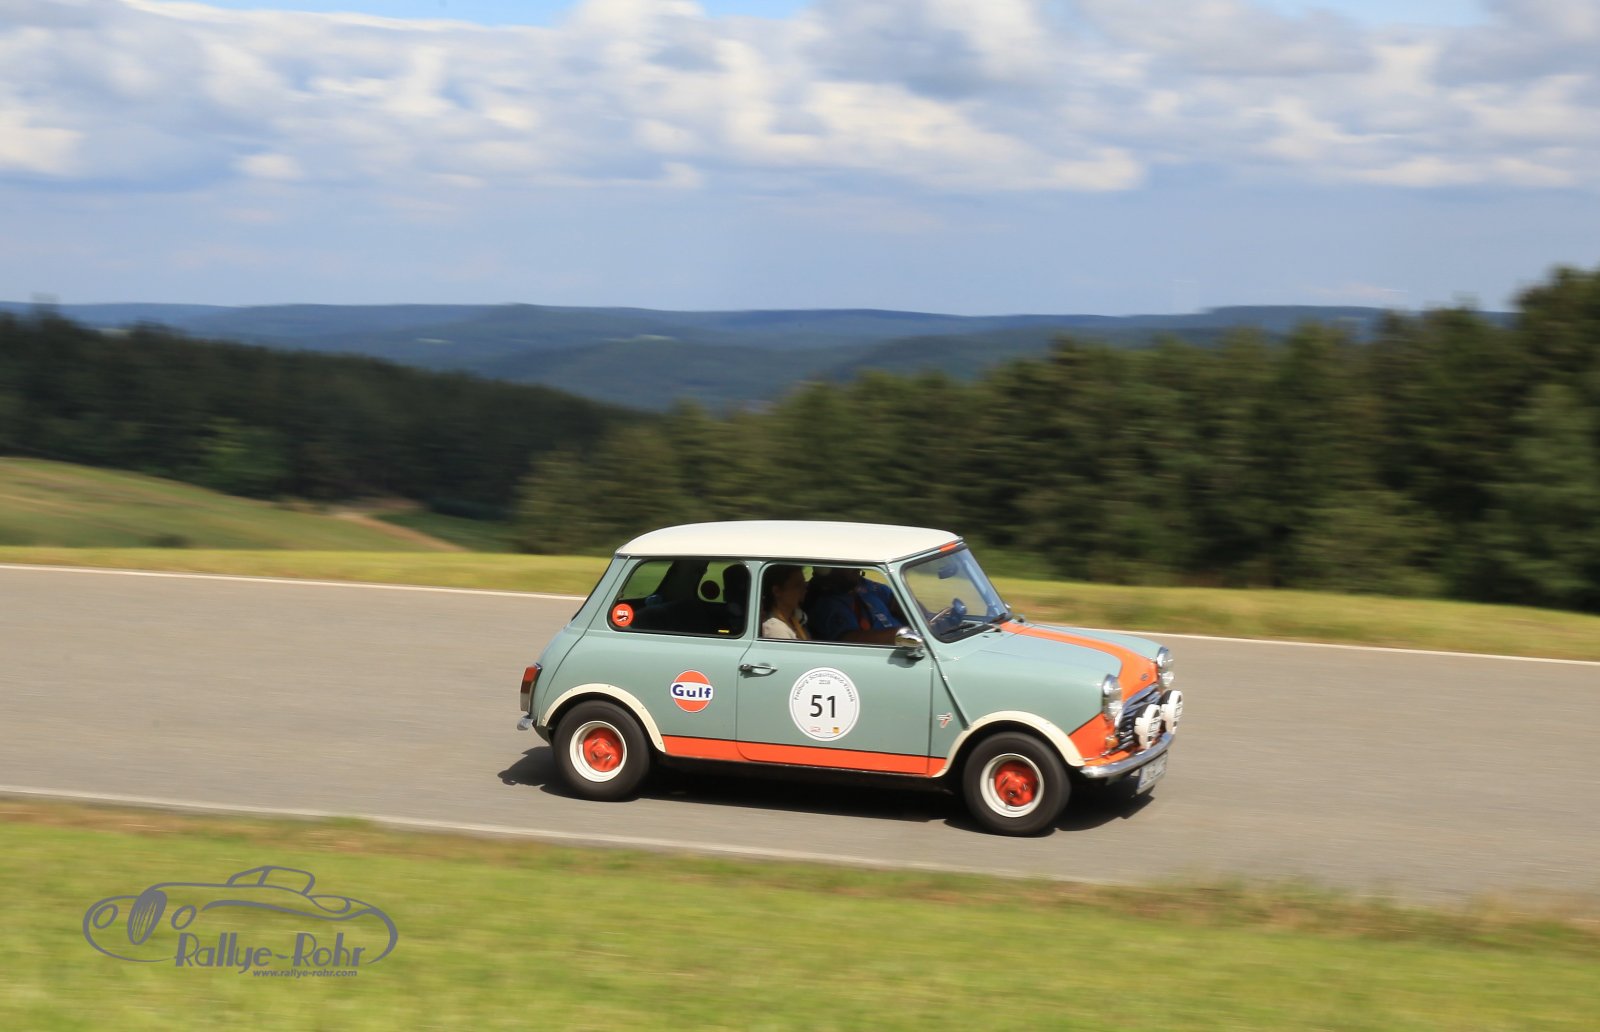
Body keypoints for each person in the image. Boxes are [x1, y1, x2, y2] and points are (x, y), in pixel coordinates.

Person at [805, 566, 906, 644]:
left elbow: (898, 603)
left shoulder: (863, 584)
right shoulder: (823, 602)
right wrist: (904, 635)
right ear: (826, 569)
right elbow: (850, 641)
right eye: (849, 563)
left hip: (906, 644)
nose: (858, 568)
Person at [760, 564, 810, 640]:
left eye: (804, 585)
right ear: (777, 591)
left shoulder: (797, 618)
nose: (804, 590)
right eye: (797, 585)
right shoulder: (775, 629)